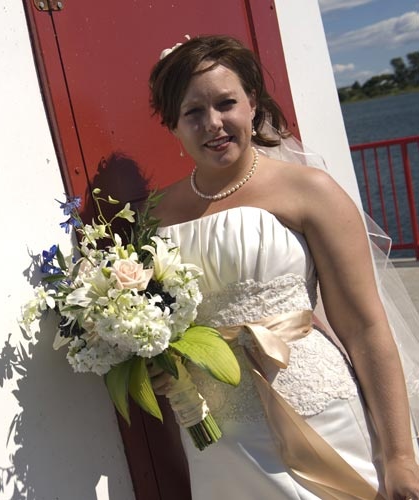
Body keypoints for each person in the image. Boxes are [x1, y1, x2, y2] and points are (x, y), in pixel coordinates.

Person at [147, 34, 419, 499]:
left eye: (226, 103)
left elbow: (364, 327)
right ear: (173, 123)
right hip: (217, 433)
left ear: (252, 103)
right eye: (193, 112)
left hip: (316, 410)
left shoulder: (309, 190)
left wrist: (400, 456)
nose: (213, 124)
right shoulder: (154, 215)